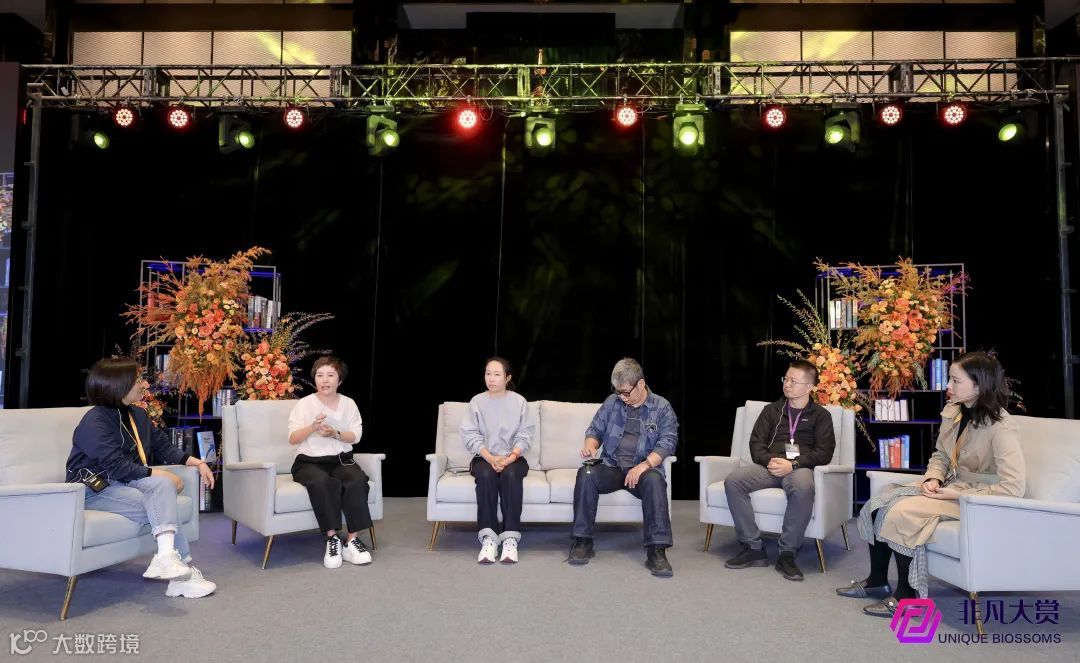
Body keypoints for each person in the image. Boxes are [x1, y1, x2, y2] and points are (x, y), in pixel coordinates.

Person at [837, 351, 1026, 616]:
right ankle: (877, 581)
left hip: (976, 500)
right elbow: (941, 456)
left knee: (903, 512)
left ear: (979, 386)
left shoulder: (1002, 426)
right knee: (878, 503)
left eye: (955, 380)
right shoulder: (954, 411)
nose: (948, 386)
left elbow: (1013, 488)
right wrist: (933, 478)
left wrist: (954, 495)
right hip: (950, 486)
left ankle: (906, 597)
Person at [67, 357, 217, 599]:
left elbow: (163, 447)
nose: (143, 384)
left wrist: (197, 462)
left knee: (161, 496)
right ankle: (182, 576)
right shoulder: (94, 420)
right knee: (162, 495)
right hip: (92, 489)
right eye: (137, 380)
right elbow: (116, 466)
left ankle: (168, 561)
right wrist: (160, 473)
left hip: (123, 482)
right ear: (118, 384)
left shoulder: (137, 414)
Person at [723, 359, 836, 581]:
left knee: (804, 486)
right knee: (734, 481)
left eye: (794, 381)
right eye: (786, 379)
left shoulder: (821, 416)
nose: (787, 384)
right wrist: (770, 461)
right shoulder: (771, 410)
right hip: (770, 465)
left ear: (809, 387)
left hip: (799, 469)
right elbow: (756, 444)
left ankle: (787, 554)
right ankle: (753, 547)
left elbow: (824, 453)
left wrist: (793, 464)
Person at [568, 358, 678, 577]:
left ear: (641, 384)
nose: (622, 397)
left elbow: (668, 442)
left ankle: (656, 551)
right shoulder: (612, 402)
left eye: (626, 392)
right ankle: (582, 541)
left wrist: (644, 465)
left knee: (655, 481)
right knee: (586, 473)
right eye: (618, 392)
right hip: (612, 466)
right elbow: (594, 430)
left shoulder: (662, 407)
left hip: (643, 470)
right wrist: (590, 445)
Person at [287, 356, 372, 569]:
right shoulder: (304, 404)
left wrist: (335, 433)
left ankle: (351, 541)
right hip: (308, 463)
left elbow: (356, 436)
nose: (325, 380)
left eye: (330, 375)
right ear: (315, 379)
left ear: (339, 380)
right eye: (320, 375)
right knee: (323, 483)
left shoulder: (349, 404)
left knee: (357, 480)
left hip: (341, 460)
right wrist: (312, 428)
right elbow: (293, 439)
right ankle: (332, 538)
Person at [460, 357, 535, 564]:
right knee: (486, 475)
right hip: (484, 457)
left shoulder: (519, 402)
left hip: (514, 458)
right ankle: (489, 538)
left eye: (497, 374)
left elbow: (525, 434)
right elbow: (470, 435)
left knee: (511, 476)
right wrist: (491, 458)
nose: (491, 379)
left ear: (507, 378)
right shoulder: (476, 402)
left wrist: (510, 458)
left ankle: (510, 538)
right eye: (487, 373)